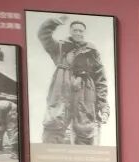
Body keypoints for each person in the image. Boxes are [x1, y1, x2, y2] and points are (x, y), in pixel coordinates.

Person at [37, 15, 108, 145]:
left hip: (85, 91)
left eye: (80, 31)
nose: (78, 33)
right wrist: (54, 21)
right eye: (75, 30)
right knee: (54, 124)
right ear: (70, 31)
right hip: (61, 89)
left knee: (85, 129)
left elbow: (100, 79)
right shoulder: (59, 47)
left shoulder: (92, 52)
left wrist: (103, 106)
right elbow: (43, 35)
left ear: (84, 33)